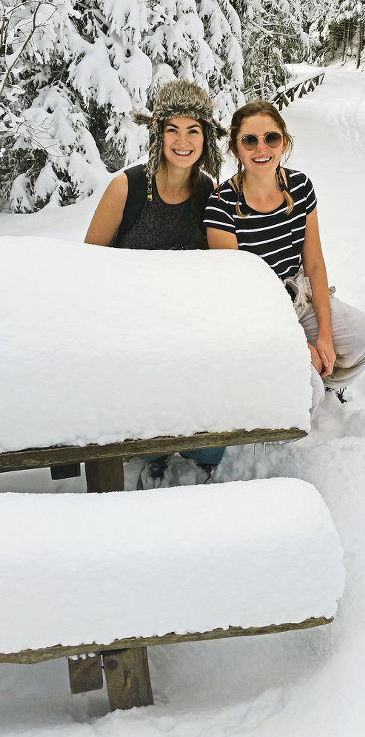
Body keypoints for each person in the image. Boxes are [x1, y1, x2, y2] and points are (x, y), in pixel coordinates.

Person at [85, 79, 227, 481]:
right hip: (131, 325)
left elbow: (220, 267)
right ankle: (153, 453)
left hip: (187, 326)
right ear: (158, 133)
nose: (183, 141)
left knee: (210, 442)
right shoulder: (125, 188)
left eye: (193, 130)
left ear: (206, 138)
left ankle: (199, 456)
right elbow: (87, 266)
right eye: (172, 130)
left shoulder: (208, 192)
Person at [204, 99, 365, 414]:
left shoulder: (299, 186)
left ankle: (326, 383)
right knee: (305, 392)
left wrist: (324, 337)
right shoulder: (221, 203)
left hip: (300, 297)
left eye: (271, 138)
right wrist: (299, 345)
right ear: (235, 148)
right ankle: (288, 412)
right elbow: (236, 290)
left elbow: (314, 262)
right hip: (259, 314)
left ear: (283, 141)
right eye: (250, 140)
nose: (262, 148)